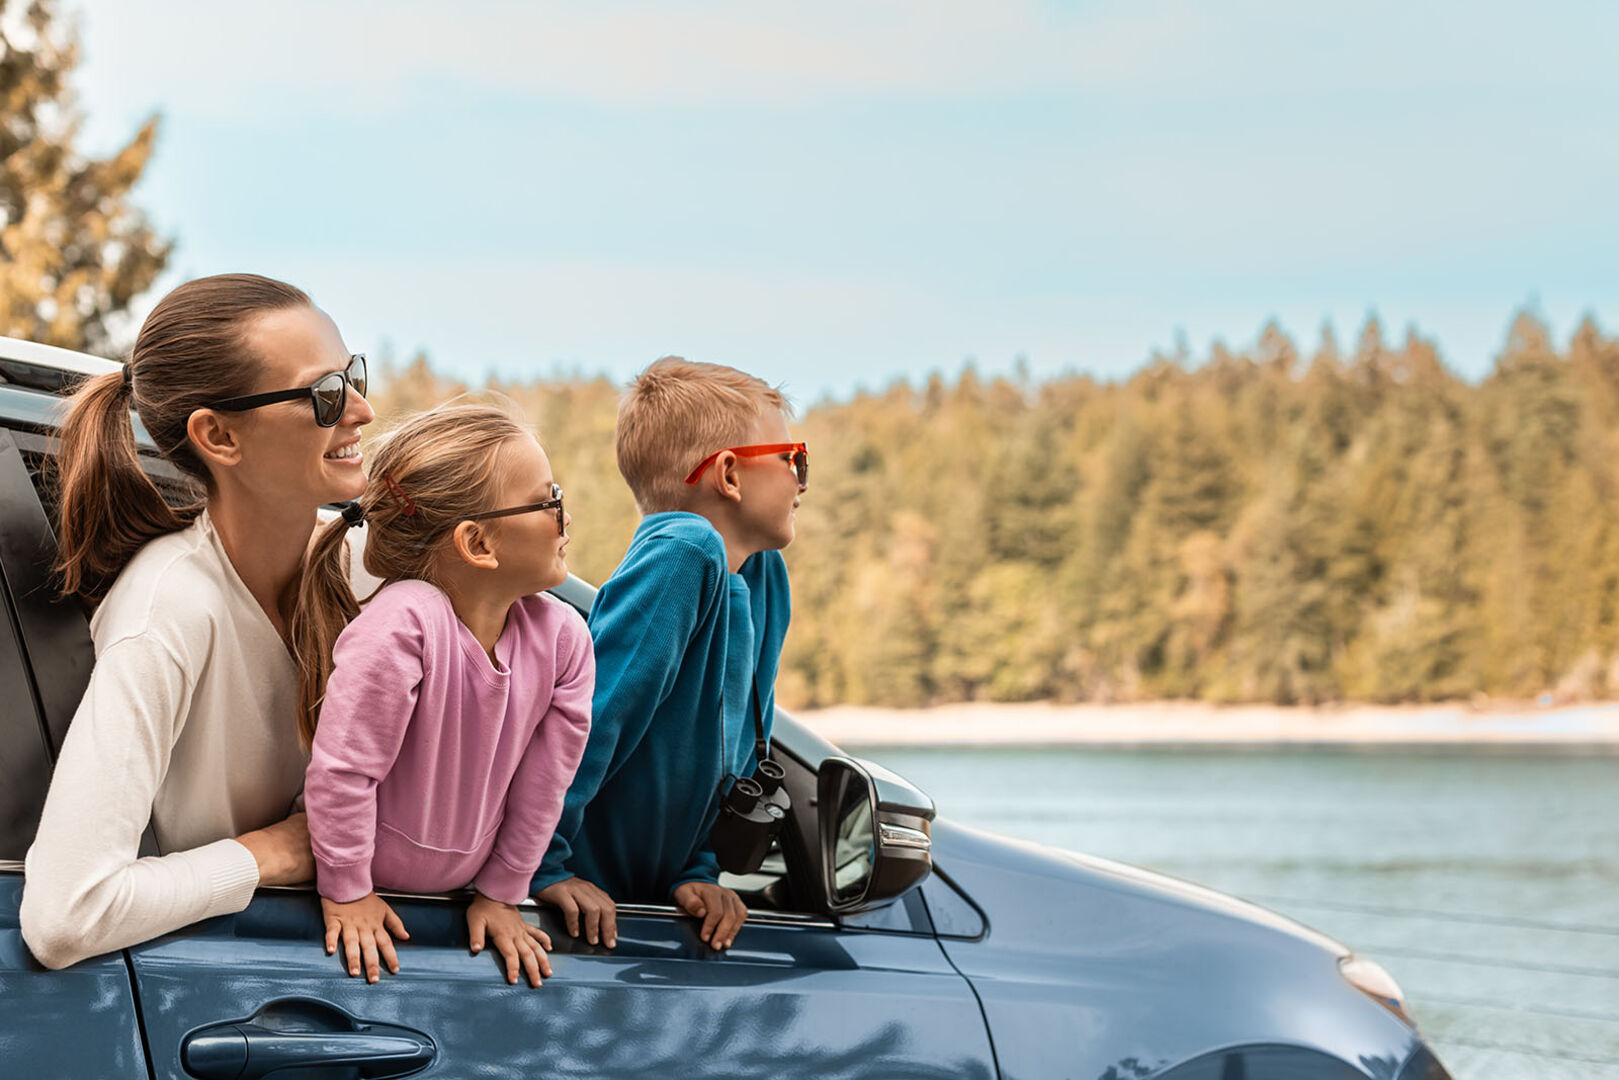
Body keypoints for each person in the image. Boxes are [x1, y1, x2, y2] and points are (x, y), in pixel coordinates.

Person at [20, 274, 374, 969]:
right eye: (324, 394)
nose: (359, 409)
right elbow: (66, 913)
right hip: (232, 997)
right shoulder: (168, 610)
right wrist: (268, 853)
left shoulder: (373, 573)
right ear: (219, 436)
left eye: (353, 374)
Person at [297, 404, 593, 988]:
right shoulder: (403, 623)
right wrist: (349, 888)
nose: (564, 517)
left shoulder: (565, 639)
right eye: (547, 500)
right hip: (352, 885)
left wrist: (503, 893)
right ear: (478, 542)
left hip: (458, 897)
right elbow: (344, 771)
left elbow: (544, 785)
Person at [532, 356, 806, 952]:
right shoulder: (685, 552)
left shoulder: (761, 577)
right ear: (729, 475)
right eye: (793, 459)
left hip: (642, 908)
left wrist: (695, 875)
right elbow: (591, 717)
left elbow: (726, 754)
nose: (801, 482)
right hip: (583, 902)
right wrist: (542, 866)